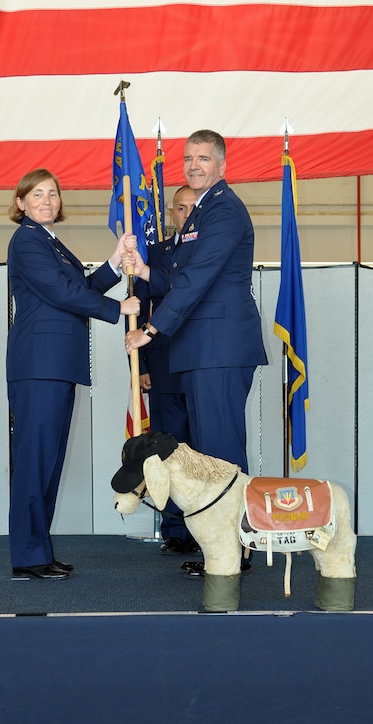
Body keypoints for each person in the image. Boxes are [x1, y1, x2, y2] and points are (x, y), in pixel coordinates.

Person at [124, 130, 268, 575]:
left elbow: (198, 280)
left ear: (222, 165)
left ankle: (236, 552)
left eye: (203, 158)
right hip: (202, 350)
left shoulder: (223, 209)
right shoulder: (201, 211)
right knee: (209, 454)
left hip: (218, 348)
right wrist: (144, 269)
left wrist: (151, 328)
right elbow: (180, 277)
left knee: (221, 453)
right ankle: (220, 551)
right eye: (189, 158)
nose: (193, 165)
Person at [7, 168, 139, 579]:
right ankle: (29, 555)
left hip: (55, 365)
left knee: (47, 461)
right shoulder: (28, 242)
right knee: (35, 461)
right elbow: (62, 293)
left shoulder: (49, 242)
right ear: (21, 203)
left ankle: (38, 550)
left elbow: (78, 286)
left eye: (53, 194)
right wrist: (119, 309)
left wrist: (116, 262)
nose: (47, 201)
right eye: (38, 195)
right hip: (39, 366)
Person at [136, 186, 199, 555]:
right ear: (170, 214)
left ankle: (205, 524)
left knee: (202, 450)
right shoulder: (155, 255)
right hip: (161, 365)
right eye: (180, 208)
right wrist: (142, 365)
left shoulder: (209, 250)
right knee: (167, 450)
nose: (187, 214)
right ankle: (174, 527)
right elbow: (139, 310)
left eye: (194, 208)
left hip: (200, 364)